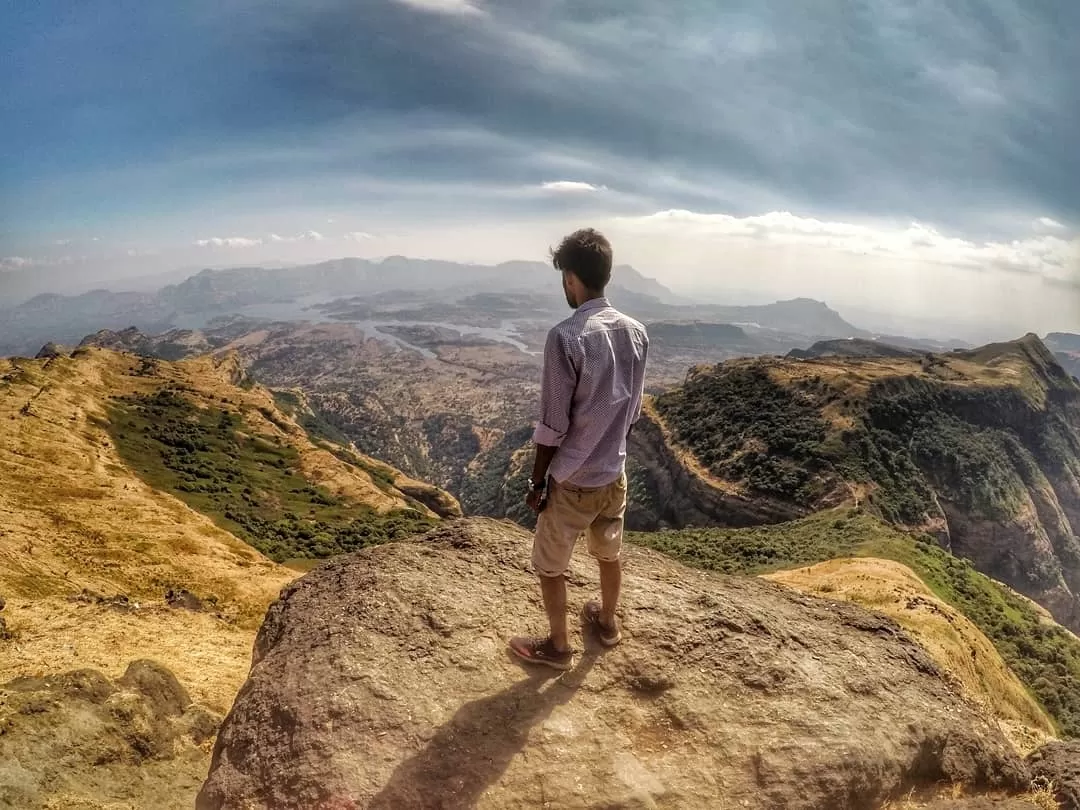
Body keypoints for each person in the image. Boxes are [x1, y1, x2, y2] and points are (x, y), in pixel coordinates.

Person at [509, 228, 650, 670]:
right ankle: (607, 623)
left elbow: (553, 426)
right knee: (610, 553)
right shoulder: (637, 333)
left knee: (550, 566)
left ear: (571, 278)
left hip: (572, 481)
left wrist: (537, 481)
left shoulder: (565, 337)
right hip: (614, 474)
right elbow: (633, 412)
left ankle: (557, 646)